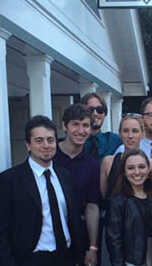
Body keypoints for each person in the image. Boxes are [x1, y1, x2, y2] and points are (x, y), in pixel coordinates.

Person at [0, 116, 86, 266]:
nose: (46, 145)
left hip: (66, 257)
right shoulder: (10, 180)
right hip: (31, 259)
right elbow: (0, 230)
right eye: (39, 140)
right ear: (28, 145)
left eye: (50, 140)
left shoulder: (65, 176)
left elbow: (73, 219)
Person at [53, 103, 100, 265]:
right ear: (64, 126)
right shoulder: (49, 156)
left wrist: (92, 247)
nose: (81, 131)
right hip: (47, 237)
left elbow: (92, 206)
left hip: (77, 237)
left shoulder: (92, 165)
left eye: (86, 125)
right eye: (75, 124)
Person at [105, 149, 152, 266]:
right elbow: (114, 241)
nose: (137, 172)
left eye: (141, 167)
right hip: (131, 263)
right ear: (124, 172)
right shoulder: (117, 202)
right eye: (131, 168)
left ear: (148, 169)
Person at [100, 114, 152, 199]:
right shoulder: (108, 163)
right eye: (125, 131)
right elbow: (103, 196)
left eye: (135, 131)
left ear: (143, 133)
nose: (130, 136)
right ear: (120, 134)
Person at [82, 92, 122, 162]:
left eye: (99, 110)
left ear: (105, 113)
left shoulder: (114, 140)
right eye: (90, 110)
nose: (95, 114)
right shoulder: (73, 141)